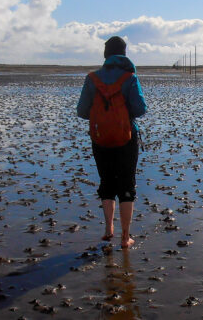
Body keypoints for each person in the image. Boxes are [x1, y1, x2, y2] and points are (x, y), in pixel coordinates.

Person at [77, 36, 147, 248]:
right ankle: (125, 238)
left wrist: (102, 117)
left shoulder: (92, 78)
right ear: (124, 54)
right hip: (127, 136)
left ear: (106, 55)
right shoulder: (130, 77)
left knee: (106, 182)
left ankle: (108, 229)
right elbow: (140, 109)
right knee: (126, 185)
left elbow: (81, 111)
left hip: (100, 137)